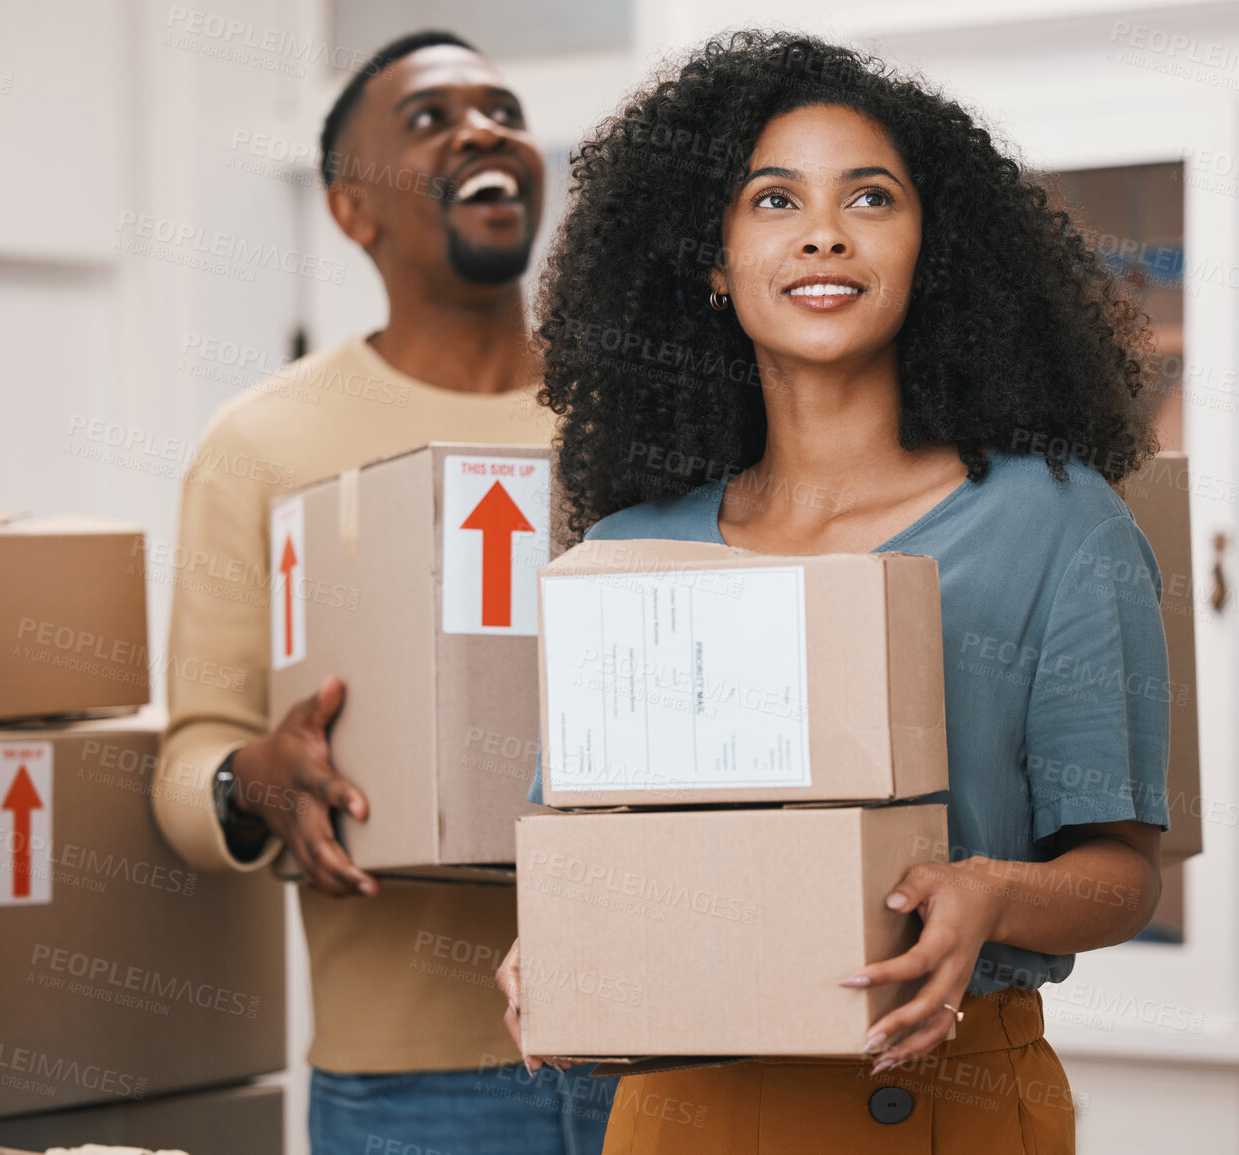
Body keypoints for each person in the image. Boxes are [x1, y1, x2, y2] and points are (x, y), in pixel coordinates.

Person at [498, 31, 1171, 1153]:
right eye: (773, 199)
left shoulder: (1054, 524)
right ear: (709, 260)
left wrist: (990, 892)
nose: (823, 231)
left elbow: (1123, 875)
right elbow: (586, 845)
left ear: (930, 249)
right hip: (682, 1108)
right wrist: (555, 942)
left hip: (936, 1099)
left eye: (871, 196)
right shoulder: (627, 550)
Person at [151, 30, 613, 1155]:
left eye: (501, 108)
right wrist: (251, 780)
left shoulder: (636, 416)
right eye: (429, 119)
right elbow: (186, 755)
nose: (482, 130)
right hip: (414, 1089)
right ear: (351, 209)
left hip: (655, 1043)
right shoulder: (262, 443)